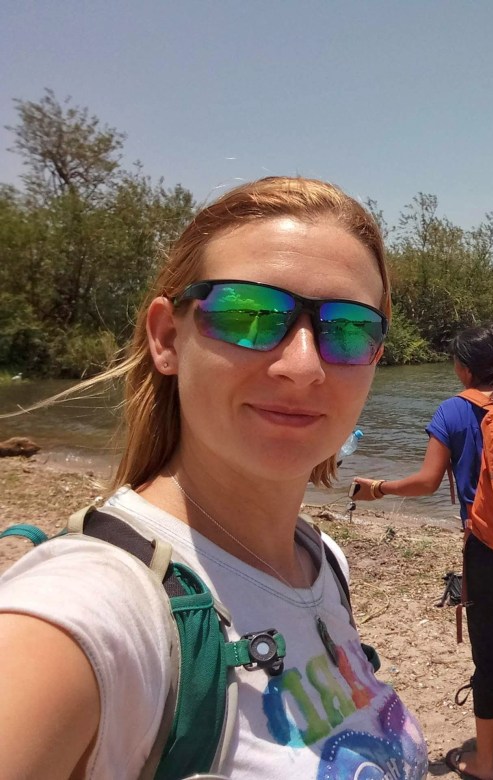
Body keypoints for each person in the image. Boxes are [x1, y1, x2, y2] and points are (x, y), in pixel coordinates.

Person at [0, 177, 429, 778]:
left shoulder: (322, 561)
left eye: (349, 328)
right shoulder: (93, 614)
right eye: (249, 315)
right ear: (167, 337)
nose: (303, 366)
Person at [353, 325, 493, 780]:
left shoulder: (454, 410)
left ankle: (486, 762)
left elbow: (427, 482)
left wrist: (377, 487)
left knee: (490, 654)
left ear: (464, 368)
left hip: (490, 547)